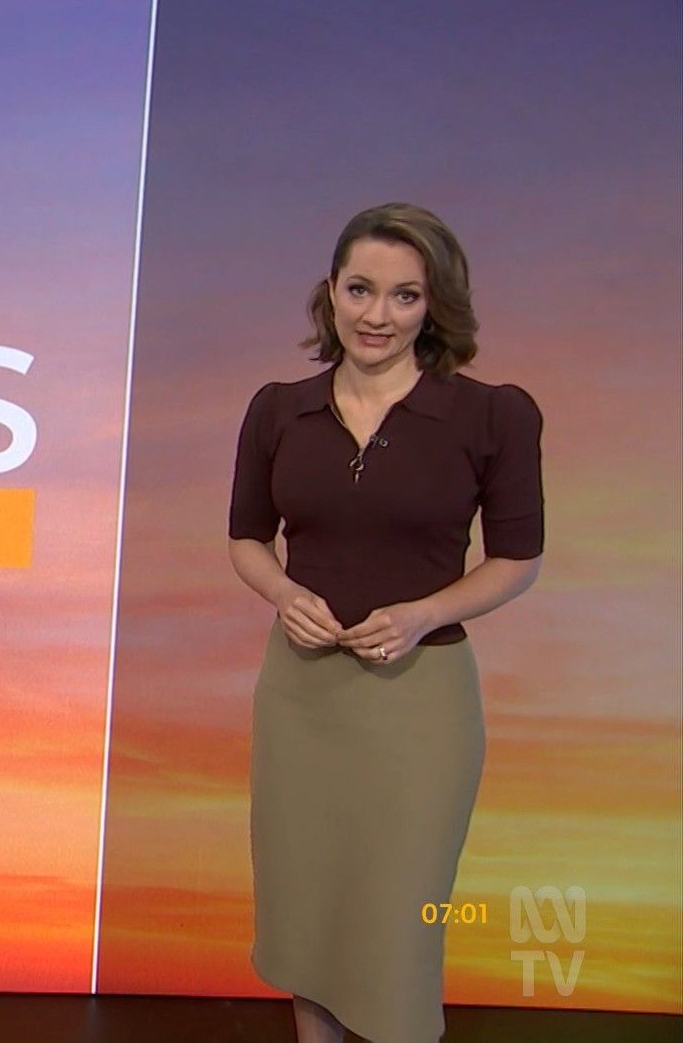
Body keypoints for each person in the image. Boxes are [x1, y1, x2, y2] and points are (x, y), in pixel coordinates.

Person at [228, 203, 543, 1042]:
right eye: (360, 289)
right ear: (330, 291)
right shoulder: (278, 409)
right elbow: (247, 540)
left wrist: (422, 614)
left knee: (398, 932)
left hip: (419, 701)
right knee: (307, 914)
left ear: (435, 306)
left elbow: (518, 561)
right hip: (301, 699)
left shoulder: (494, 416)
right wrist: (283, 593)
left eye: (406, 296)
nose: (378, 315)